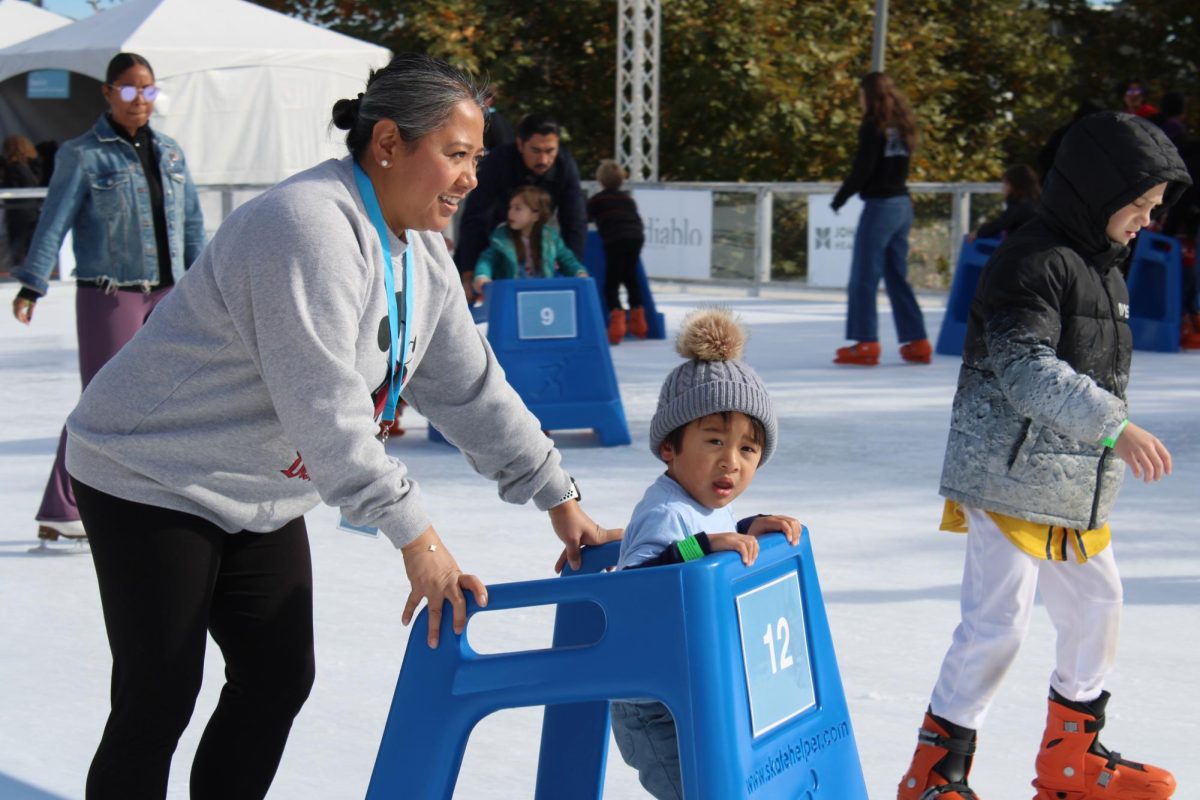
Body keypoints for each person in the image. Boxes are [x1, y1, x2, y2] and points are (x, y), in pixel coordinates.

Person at [63, 53, 619, 799]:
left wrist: (560, 496)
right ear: (387, 143)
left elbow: (470, 384)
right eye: (455, 155)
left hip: (257, 484)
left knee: (276, 677)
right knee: (160, 692)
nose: (471, 178)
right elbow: (328, 410)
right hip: (150, 470)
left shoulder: (420, 247)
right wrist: (417, 538)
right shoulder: (305, 228)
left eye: (475, 158)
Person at [897, 112, 1190, 800]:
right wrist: (1117, 428)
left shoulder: (1102, 268)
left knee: (1098, 606)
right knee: (998, 623)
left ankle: (1074, 762)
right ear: (1098, 190)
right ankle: (935, 775)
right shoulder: (1031, 259)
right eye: (1140, 206)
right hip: (1007, 471)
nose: (1147, 221)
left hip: (1066, 482)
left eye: (1155, 210)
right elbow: (1023, 366)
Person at [10, 52, 205, 545]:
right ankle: (62, 507)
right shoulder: (82, 154)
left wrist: (205, 284)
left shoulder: (172, 153)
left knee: (168, 403)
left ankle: (154, 501)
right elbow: (53, 220)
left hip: (169, 295)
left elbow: (191, 226)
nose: (139, 101)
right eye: (128, 90)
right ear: (108, 93)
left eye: (148, 90)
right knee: (101, 405)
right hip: (110, 296)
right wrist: (33, 282)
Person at [609, 307, 802, 799]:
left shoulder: (706, 506)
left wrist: (743, 527)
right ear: (669, 448)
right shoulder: (664, 512)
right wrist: (706, 545)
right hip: (653, 706)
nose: (730, 463)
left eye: (747, 450)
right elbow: (636, 586)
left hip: (696, 692)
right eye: (714, 441)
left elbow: (706, 540)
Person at [831, 72, 930, 366]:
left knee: (864, 276)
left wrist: (841, 196)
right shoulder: (902, 126)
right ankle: (918, 341)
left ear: (868, 95)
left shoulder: (873, 126)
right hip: (903, 205)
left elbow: (863, 169)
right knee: (897, 277)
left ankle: (865, 343)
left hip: (881, 207)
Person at [454, 112, 587, 299]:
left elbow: (575, 221)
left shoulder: (565, 165)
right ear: (520, 144)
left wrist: (575, 275)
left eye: (550, 151)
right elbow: (476, 217)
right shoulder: (498, 162)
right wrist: (469, 270)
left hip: (536, 249)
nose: (543, 160)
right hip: (494, 242)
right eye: (536, 150)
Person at [470, 185, 587, 295]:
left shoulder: (550, 237)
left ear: (535, 215)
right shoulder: (502, 238)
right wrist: (482, 276)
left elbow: (567, 259)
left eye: (517, 208)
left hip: (543, 295)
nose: (510, 212)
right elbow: (487, 260)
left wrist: (578, 272)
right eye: (510, 207)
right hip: (511, 295)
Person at [587, 158, 648, 345]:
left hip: (615, 239)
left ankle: (617, 326)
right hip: (636, 237)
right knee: (630, 278)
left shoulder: (598, 199)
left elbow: (584, 218)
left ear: (601, 180)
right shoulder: (628, 199)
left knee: (612, 282)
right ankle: (639, 324)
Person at [967, 164, 1040, 243]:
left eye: (1005, 183)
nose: (1003, 188)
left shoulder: (1019, 207)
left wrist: (979, 233)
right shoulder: (1039, 204)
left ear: (1014, 185)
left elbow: (999, 225)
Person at [1, 134, 44, 264]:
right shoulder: (31, 166)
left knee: (18, 245)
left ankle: (20, 270)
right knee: (30, 245)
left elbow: (18, 187)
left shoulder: (15, 167)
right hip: (31, 210)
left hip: (18, 211)